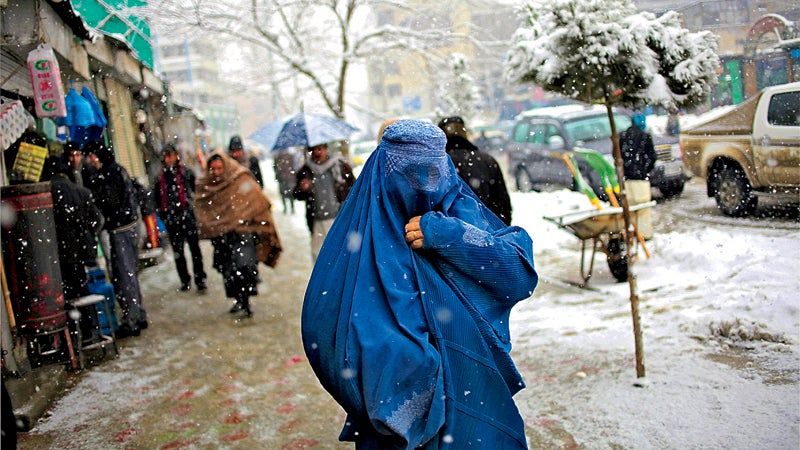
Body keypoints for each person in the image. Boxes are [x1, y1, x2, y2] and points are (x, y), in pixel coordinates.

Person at [301, 120, 539, 448]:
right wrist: (423, 375)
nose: (426, 187)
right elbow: (328, 337)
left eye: (433, 171)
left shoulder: (454, 207)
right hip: (397, 431)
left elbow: (519, 273)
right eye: (412, 174)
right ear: (385, 172)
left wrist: (451, 237)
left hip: (472, 407)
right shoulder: (361, 241)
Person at [194, 151, 282, 317]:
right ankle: (238, 300)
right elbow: (202, 209)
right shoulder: (206, 185)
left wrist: (248, 220)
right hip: (221, 236)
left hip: (242, 233)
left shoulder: (239, 178)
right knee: (227, 270)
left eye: (220, 168)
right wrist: (215, 225)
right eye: (213, 169)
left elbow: (257, 200)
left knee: (244, 266)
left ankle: (246, 301)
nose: (217, 172)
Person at [82, 139, 147, 338]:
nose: (89, 160)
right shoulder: (116, 170)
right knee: (129, 274)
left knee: (124, 274)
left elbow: (111, 202)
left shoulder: (109, 174)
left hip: (122, 230)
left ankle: (132, 320)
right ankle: (138, 315)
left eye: (91, 156)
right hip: (130, 227)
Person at [42, 155, 103, 343]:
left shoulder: (46, 194)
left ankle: (74, 336)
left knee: (66, 295)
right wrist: (86, 235)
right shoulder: (81, 192)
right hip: (81, 252)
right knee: (83, 291)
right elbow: (98, 220)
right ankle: (90, 330)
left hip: (58, 255)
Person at [437, 116, 513, 225]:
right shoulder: (487, 161)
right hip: (487, 233)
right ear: (465, 133)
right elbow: (503, 205)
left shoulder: (436, 165)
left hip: (447, 235)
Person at [154, 144, 207, 292]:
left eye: (170, 155)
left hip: (187, 217)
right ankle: (185, 280)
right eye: (165, 156)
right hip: (172, 220)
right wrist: (164, 216)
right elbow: (157, 199)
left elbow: (195, 193)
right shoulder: (160, 178)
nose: (168, 159)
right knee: (178, 253)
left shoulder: (186, 172)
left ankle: (200, 279)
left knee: (195, 251)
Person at [292, 142, 355, 262]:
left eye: (319, 149)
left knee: (342, 256)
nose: (317, 152)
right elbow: (296, 195)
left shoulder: (340, 166)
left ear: (326, 149)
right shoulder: (306, 171)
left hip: (339, 219)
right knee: (319, 257)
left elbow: (355, 187)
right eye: (313, 150)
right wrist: (302, 188)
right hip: (317, 222)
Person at [620, 112, 657, 239]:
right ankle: (644, 235)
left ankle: (631, 233)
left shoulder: (623, 136)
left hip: (627, 179)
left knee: (630, 207)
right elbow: (652, 157)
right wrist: (646, 170)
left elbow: (618, 156)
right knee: (643, 209)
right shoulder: (645, 137)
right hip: (641, 178)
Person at [273, 149, 297, 214]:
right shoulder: (279, 158)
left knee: (288, 193)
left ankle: (290, 208)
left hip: (287, 178)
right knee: (286, 193)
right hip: (285, 178)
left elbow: (295, 166)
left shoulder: (279, 157)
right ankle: (288, 208)